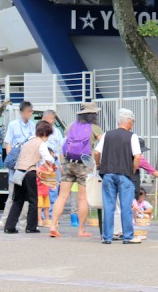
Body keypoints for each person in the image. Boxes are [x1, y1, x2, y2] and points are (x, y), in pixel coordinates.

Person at [50, 102, 103, 238]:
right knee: (82, 198)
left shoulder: (71, 126)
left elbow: (64, 144)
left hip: (68, 163)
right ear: (93, 115)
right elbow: (102, 145)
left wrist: (62, 163)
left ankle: (53, 225)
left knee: (62, 196)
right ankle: (81, 230)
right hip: (83, 165)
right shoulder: (94, 128)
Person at [94, 108, 142, 244]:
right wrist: (133, 169)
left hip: (108, 174)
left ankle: (107, 237)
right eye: (132, 122)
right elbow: (137, 157)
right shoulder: (132, 136)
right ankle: (128, 236)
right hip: (124, 175)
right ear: (129, 121)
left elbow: (96, 153)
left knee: (109, 206)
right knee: (126, 206)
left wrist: (98, 165)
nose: (132, 124)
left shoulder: (106, 135)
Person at [4, 121, 54, 234]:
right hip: (28, 173)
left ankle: (9, 226)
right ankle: (31, 227)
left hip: (18, 172)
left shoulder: (27, 142)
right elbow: (47, 158)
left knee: (17, 200)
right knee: (33, 201)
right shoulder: (40, 143)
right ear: (45, 133)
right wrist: (52, 161)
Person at [0, 101, 36, 228]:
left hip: (27, 164)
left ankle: (22, 222)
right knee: (13, 194)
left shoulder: (32, 126)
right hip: (16, 164)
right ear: (22, 112)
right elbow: (8, 143)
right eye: (28, 111)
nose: (30, 114)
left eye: (31, 111)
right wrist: (12, 162)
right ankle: (5, 219)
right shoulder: (13, 125)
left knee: (25, 195)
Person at [42, 110, 64, 219]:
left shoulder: (57, 132)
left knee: (54, 189)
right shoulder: (39, 131)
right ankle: (41, 215)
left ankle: (51, 215)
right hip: (42, 163)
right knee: (42, 190)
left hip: (54, 163)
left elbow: (60, 150)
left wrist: (60, 164)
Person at [37, 157, 58, 227]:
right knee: (39, 207)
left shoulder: (51, 168)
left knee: (47, 206)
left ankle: (47, 220)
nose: (51, 161)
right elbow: (38, 179)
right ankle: (39, 220)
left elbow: (51, 178)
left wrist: (53, 184)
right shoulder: (40, 168)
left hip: (46, 192)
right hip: (39, 191)